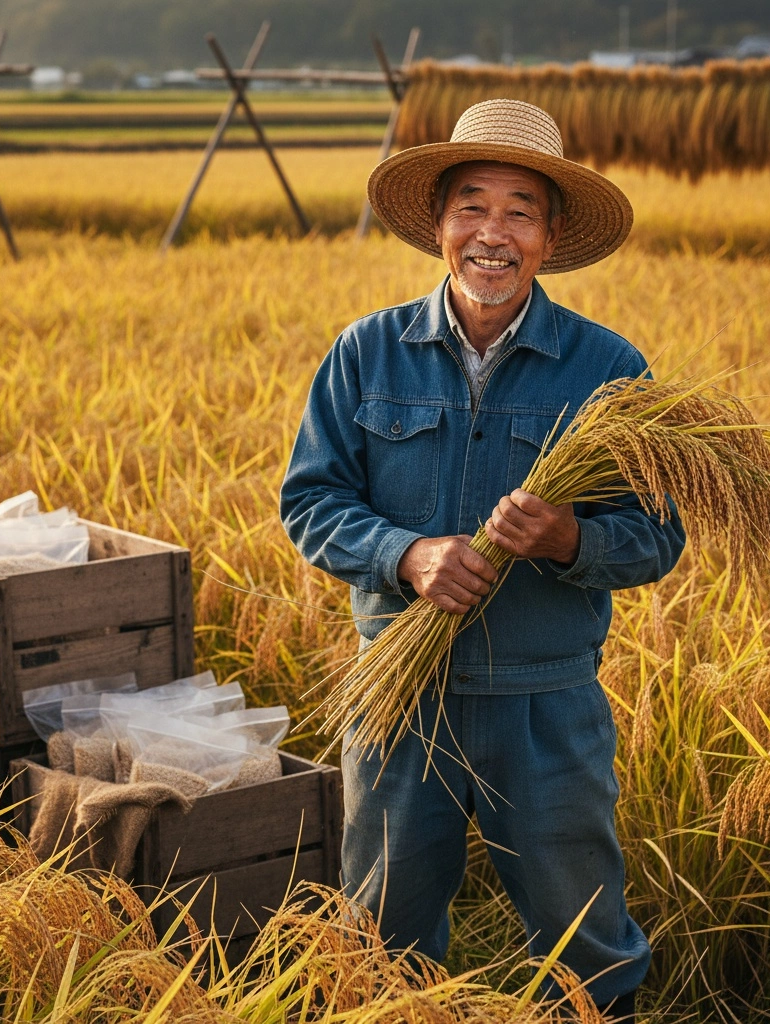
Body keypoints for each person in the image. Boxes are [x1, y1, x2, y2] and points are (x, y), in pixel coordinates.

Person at [280, 99, 686, 1022]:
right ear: (438, 226)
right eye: (471, 206)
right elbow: (309, 503)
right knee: (380, 939)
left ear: (549, 237)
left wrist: (570, 540)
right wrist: (407, 553)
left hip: (545, 704)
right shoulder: (366, 353)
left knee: (586, 941)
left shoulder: (608, 370)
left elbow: (658, 534)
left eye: (519, 211)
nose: (491, 233)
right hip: (400, 701)